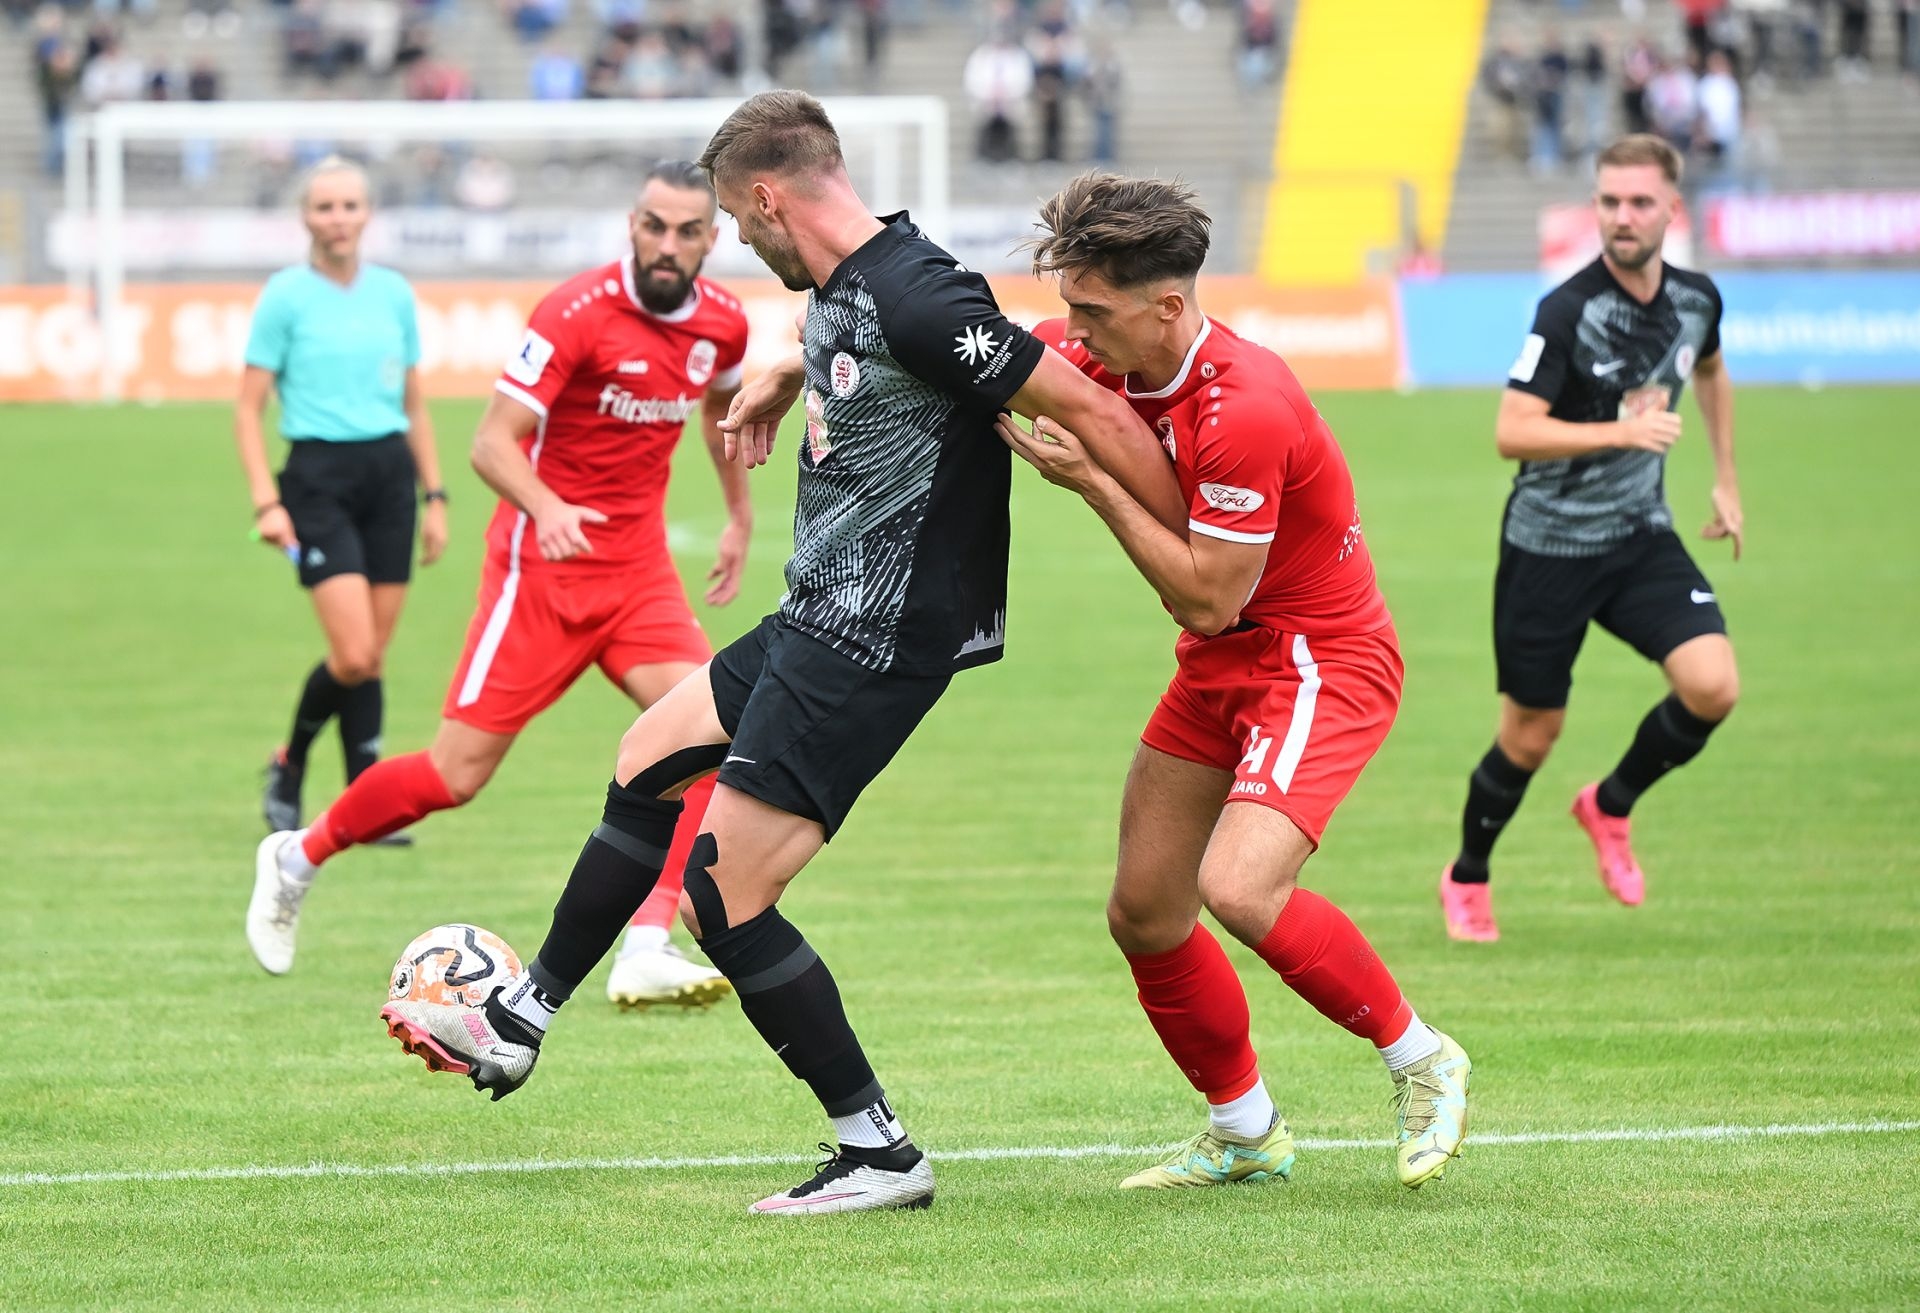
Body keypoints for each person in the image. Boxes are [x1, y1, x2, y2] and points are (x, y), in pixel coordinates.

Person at [378, 89, 1184, 1216]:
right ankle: (523, 1019)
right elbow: (880, 349)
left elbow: (1088, 411)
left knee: (722, 892)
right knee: (648, 752)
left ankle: (879, 1150)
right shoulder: (849, 283)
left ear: (766, 198)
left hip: (876, 634)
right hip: (818, 611)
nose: (734, 242)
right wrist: (791, 368)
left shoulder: (915, 290)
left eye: (731, 220)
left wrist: (1196, 549)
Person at [994, 173, 1471, 1192]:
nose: (1073, 329)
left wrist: (1092, 484)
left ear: (1167, 306)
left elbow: (1209, 598)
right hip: (1224, 663)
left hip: (1316, 657)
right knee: (1145, 910)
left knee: (1240, 886)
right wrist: (801, 365)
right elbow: (970, 351)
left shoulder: (1245, 404)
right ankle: (1245, 1129)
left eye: (1093, 310)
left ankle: (1423, 1055)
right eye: (1070, 304)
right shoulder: (1104, 358)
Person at [246, 161, 754, 1015]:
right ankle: (298, 856)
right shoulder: (575, 312)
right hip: (539, 576)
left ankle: (646, 944)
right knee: (453, 775)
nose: (667, 244)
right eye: (653, 226)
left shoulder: (723, 323)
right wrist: (546, 506)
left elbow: (720, 413)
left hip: (638, 577)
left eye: (687, 231)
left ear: (713, 237)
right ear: (632, 225)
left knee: (712, 734)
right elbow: (490, 442)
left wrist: (738, 515)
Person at [1439, 134, 1742, 943]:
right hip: (1548, 549)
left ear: (1672, 209)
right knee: (1531, 735)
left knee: (1713, 685)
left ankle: (1610, 805)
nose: (1622, 216)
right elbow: (1512, 430)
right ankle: (1467, 875)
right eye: (1609, 201)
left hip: (1640, 536)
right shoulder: (1567, 310)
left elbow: (1710, 370)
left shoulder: (1698, 299)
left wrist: (1726, 479)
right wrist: (1619, 431)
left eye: (1639, 202)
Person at [236, 156, 447, 854]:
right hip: (317, 479)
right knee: (353, 654)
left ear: (367, 213)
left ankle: (365, 804)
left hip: (389, 478)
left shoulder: (392, 293)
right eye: (324, 207)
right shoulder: (285, 297)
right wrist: (267, 503)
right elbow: (246, 409)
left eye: (350, 206)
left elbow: (414, 403)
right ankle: (289, 761)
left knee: (373, 655)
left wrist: (435, 495)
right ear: (305, 216)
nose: (338, 219)